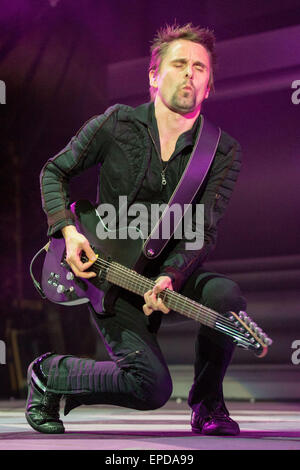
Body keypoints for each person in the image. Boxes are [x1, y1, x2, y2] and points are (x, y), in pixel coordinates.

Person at [26, 23, 247, 436]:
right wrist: (69, 233)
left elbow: (204, 228)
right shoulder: (116, 123)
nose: (189, 74)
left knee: (226, 296)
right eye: (179, 63)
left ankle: (207, 405)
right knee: (151, 387)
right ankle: (50, 374)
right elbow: (54, 171)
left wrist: (171, 275)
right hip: (108, 274)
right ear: (153, 75)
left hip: (167, 277)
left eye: (199, 68)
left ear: (209, 84)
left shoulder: (222, 150)